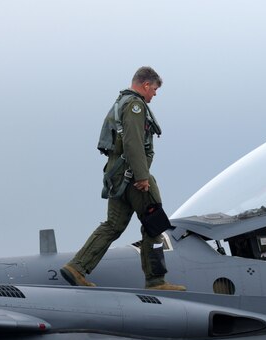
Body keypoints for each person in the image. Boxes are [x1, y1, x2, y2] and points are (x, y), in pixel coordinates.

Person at [60, 66, 186, 291]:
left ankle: (77, 268)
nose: (155, 94)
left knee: (113, 225)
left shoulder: (121, 103)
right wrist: (142, 176)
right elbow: (133, 142)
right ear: (146, 85)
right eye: (154, 89)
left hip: (117, 175)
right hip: (133, 176)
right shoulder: (135, 105)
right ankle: (156, 281)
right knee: (154, 224)